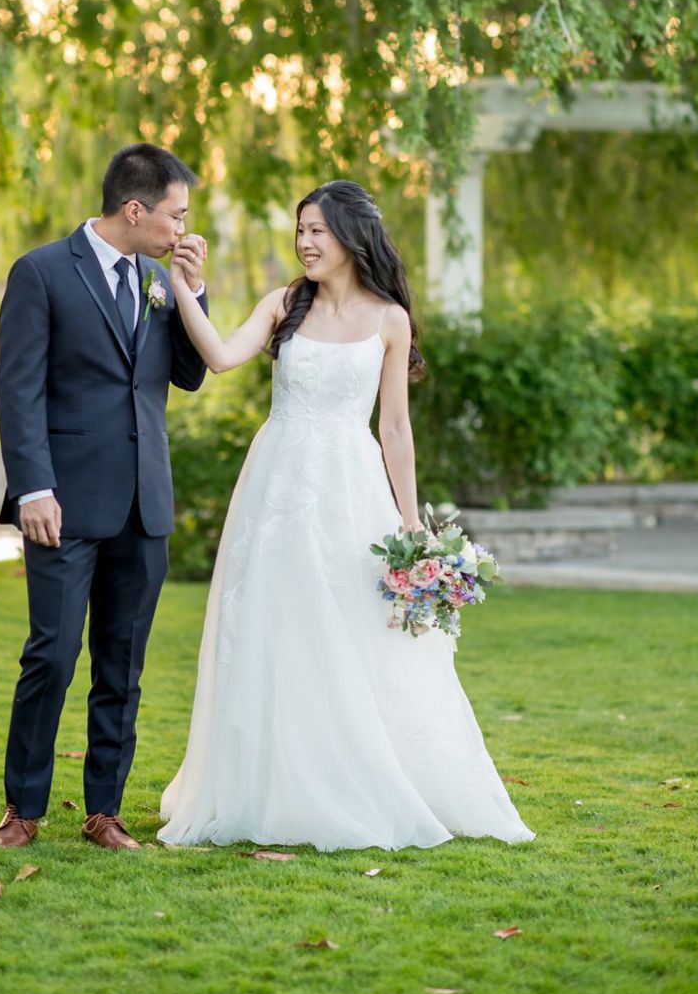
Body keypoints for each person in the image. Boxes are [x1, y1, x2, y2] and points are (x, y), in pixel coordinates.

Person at [154, 179, 532, 851]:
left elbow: (394, 428)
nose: (304, 242)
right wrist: (185, 284)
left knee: (357, 632)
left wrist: (411, 525)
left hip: (351, 489)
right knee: (275, 625)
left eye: (317, 231)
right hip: (277, 485)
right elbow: (219, 357)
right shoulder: (283, 305)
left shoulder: (390, 319)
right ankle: (273, 780)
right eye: (300, 230)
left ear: (351, 238)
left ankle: (363, 772)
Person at [0, 144, 210, 850]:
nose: (184, 229)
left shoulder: (158, 278)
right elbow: (17, 388)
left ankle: (103, 811)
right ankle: (23, 810)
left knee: (123, 662)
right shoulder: (43, 272)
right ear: (136, 209)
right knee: (51, 656)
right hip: (62, 503)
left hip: (144, 503)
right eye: (176, 216)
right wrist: (33, 487)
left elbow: (187, 376)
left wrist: (193, 293)